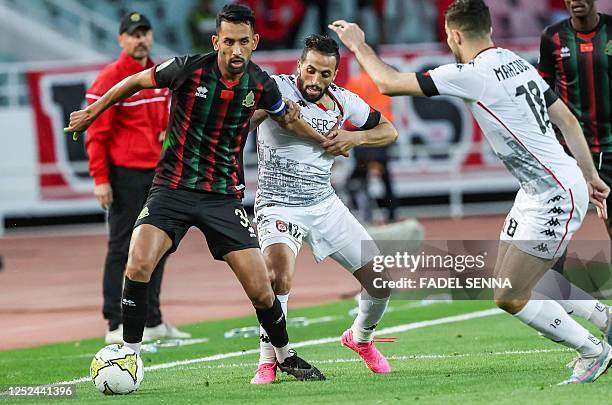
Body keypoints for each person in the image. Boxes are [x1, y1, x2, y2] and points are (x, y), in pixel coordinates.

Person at [330, 0, 611, 384]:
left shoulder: (470, 74)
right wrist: (590, 173)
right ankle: (604, 320)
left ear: (455, 35)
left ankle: (592, 351)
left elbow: (388, 83)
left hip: (554, 192)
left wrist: (358, 45)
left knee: (509, 295)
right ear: (490, 30)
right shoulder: (514, 60)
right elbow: (565, 117)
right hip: (542, 188)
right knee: (529, 277)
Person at [66, 4, 332, 382]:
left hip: (222, 196)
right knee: (137, 259)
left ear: (255, 42)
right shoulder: (187, 68)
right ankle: (129, 352)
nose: (235, 50)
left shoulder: (261, 84)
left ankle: (285, 355)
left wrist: (326, 140)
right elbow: (134, 82)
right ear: (216, 41)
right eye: (228, 42)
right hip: (171, 188)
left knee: (261, 288)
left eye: (243, 42)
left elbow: (285, 115)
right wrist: (94, 113)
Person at [248, 34, 398, 384]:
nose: (315, 80)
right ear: (299, 64)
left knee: (380, 281)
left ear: (335, 74)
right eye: (310, 70)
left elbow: (388, 131)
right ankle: (267, 360)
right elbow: (247, 119)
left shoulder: (344, 102)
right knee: (277, 276)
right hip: (277, 204)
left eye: (325, 74)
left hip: (324, 204)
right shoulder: (276, 87)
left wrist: (355, 138)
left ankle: (360, 339)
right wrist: (265, 108)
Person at [85, 11, 190, 344]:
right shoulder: (109, 79)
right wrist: (101, 178)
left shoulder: (159, 74)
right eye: (134, 34)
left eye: (145, 32)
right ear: (121, 40)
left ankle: (153, 320)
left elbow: (169, 126)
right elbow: (95, 134)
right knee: (121, 247)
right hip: (125, 175)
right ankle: (115, 322)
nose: (141, 38)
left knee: (158, 246)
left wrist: (168, 145)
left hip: (159, 174)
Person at [537, 0, 612, 346]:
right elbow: (543, 97)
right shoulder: (552, 38)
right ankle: (560, 315)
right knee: (555, 239)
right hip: (569, 155)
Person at [344, 66, 398, 223]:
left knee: (360, 177)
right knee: (385, 175)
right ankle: (392, 213)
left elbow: (348, 111)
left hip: (363, 135)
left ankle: (365, 215)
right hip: (384, 132)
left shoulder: (355, 82)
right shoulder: (383, 81)